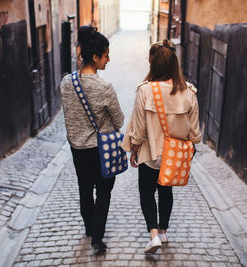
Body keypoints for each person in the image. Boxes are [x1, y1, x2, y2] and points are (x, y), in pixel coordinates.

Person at [122, 39, 201, 253]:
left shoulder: (145, 91)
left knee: (146, 193)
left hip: (151, 153)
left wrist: (134, 149)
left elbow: (138, 128)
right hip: (173, 155)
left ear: (153, 65)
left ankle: (154, 235)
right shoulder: (189, 92)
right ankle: (164, 232)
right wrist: (188, 146)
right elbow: (194, 134)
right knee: (166, 191)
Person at [60, 25, 124, 251]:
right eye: (106, 55)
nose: (108, 59)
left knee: (84, 189)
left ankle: (89, 228)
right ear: (95, 56)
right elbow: (119, 120)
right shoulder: (105, 87)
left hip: (77, 148)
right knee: (104, 191)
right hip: (101, 149)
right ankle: (97, 237)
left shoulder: (66, 83)